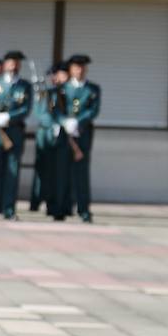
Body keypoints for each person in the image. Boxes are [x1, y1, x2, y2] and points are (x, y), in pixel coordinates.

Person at [0, 50, 34, 220]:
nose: (14, 65)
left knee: (12, 171)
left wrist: (10, 117)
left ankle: (9, 209)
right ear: (4, 64)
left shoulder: (25, 86)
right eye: (11, 62)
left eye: (17, 62)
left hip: (15, 132)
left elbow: (26, 108)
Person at [60, 54, 101, 223]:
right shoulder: (63, 88)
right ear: (70, 69)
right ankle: (63, 207)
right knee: (63, 171)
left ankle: (83, 209)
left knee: (81, 173)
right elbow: (56, 108)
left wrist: (78, 122)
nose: (80, 70)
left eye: (83, 67)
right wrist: (65, 121)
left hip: (83, 133)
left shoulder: (92, 89)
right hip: (65, 134)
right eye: (76, 67)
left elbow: (93, 110)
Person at [40, 61, 78, 222]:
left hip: (65, 138)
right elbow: (42, 113)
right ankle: (51, 204)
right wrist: (55, 123)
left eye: (62, 74)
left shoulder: (70, 92)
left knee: (64, 175)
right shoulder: (48, 93)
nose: (58, 78)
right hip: (49, 138)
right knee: (49, 174)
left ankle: (63, 206)